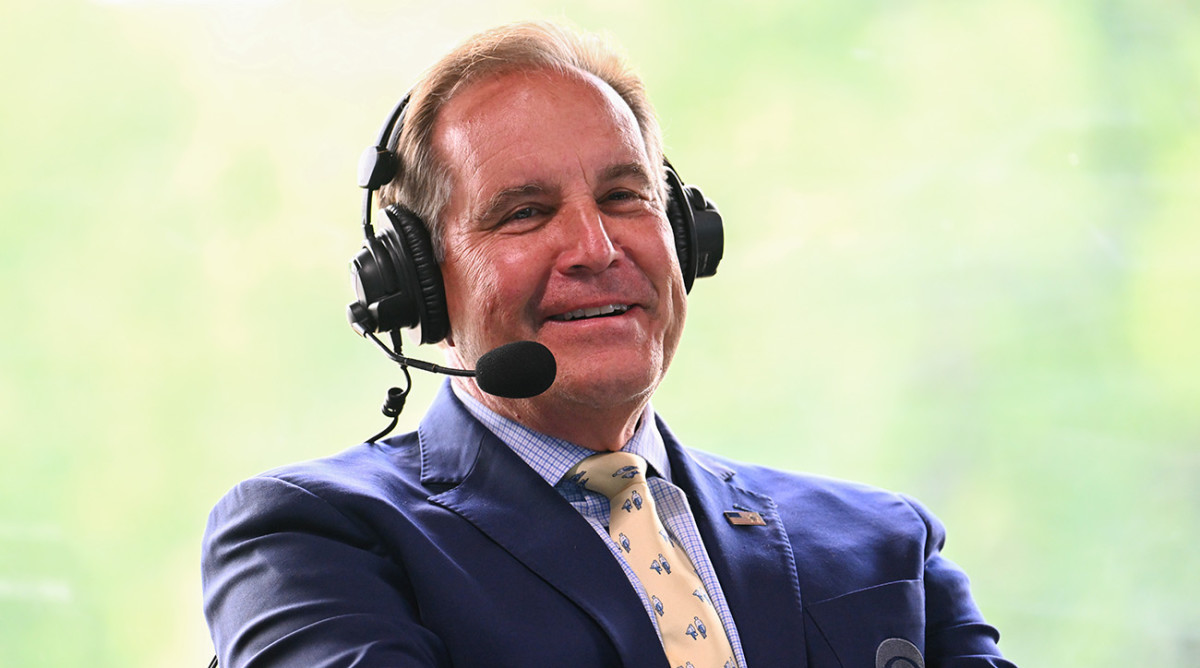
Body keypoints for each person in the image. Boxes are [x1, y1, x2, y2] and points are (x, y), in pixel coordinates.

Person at [201, 20, 1017, 668]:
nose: (596, 247)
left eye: (624, 196)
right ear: (418, 286)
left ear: (687, 238)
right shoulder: (308, 540)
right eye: (523, 212)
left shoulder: (887, 544)